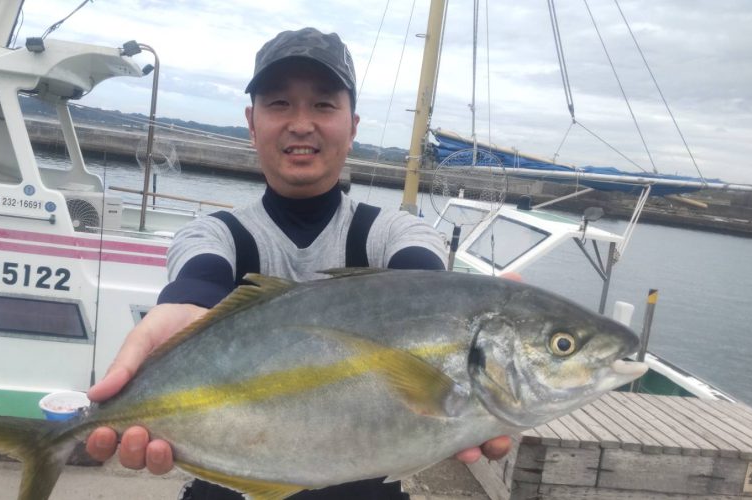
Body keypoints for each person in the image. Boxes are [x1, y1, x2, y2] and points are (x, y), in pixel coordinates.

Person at [85, 27, 511, 499]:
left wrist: (481, 312)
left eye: (324, 104)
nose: (301, 123)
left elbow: (423, 282)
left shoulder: (393, 233)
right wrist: (183, 311)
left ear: (352, 126)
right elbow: (198, 280)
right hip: (229, 481)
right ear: (252, 122)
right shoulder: (215, 233)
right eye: (279, 103)